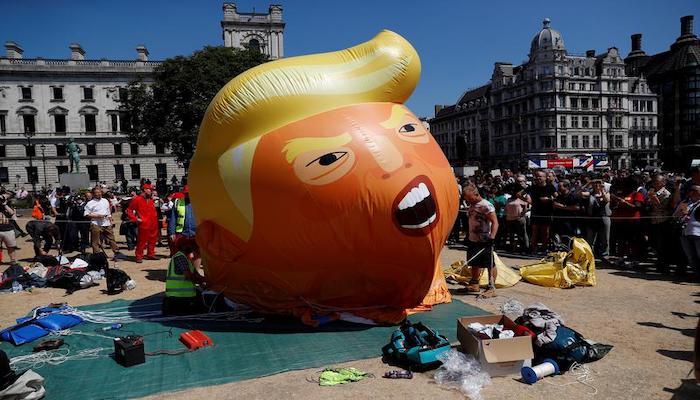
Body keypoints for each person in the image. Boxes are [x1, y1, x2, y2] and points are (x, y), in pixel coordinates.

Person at [462, 184, 499, 298]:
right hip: (473, 239)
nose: (467, 200)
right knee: (474, 262)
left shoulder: (486, 206)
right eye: (466, 198)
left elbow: (495, 222)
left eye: (469, 197)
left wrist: (491, 237)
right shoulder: (472, 205)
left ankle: (491, 287)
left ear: (476, 194)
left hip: (485, 239)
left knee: (489, 263)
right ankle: (474, 284)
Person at [162, 237, 205, 316]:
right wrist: (202, 281)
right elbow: (189, 276)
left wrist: (207, 281)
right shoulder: (180, 257)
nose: (194, 248)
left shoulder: (186, 258)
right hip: (178, 298)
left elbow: (196, 275)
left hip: (183, 296)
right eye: (192, 246)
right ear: (184, 246)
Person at [84, 186, 125, 260]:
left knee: (111, 238)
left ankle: (117, 252)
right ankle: (97, 255)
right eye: (96, 193)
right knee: (95, 241)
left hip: (106, 223)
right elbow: (86, 214)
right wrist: (97, 216)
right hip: (96, 223)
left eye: (99, 192)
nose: (98, 194)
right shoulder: (90, 203)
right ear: (93, 194)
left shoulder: (105, 200)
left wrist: (110, 220)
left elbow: (108, 211)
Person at [646, 174, 672, 272]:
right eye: (654, 182)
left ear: (663, 183)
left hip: (662, 221)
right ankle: (659, 263)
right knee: (655, 244)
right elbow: (647, 204)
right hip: (653, 221)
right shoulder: (652, 192)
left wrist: (654, 200)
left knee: (663, 245)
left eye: (657, 182)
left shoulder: (666, 193)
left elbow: (663, 207)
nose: (654, 184)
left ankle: (664, 265)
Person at [526, 170, 556, 253]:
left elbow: (557, 197)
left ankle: (544, 248)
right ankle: (533, 249)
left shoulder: (550, 187)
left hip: (546, 212)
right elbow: (519, 194)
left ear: (545, 177)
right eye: (537, 176)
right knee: (535, 231)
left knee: (545, 232)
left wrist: (549, 199)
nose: (538, 178)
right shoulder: (533, 186)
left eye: (540, 176)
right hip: (535, 211)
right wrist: (528, 200)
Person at [127, 184, 158, 263]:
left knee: (153, 239)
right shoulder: (137, 199)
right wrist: (135, 219)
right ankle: (139, 256)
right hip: (144, 223)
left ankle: (150, 254)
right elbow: (129, 210)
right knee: (142, 241)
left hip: (153, 222)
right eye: (150, 190)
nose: (151, 191)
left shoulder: (151, 199)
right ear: (144, 190)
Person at [584, 180, 611, 257]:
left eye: (599, 184)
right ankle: (590, 254)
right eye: (595, 184)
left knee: (605, 238)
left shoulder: (607, 193)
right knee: (590, 238)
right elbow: (578, 193)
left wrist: (602, 191)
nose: (597, 185)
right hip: (592, 218)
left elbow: (607, 199)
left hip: (604, 217)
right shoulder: (590, 194)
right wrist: (588, 183)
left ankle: (605, 254)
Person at [167, 186, 196, 254]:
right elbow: (173, 219)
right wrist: (172, 233)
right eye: (186, 194)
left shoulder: (198, 202)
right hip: (182, 233)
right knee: (182, 253)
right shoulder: (178, 202)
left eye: (189, 193)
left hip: (195, 233)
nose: (187, 195)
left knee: (196, 254)